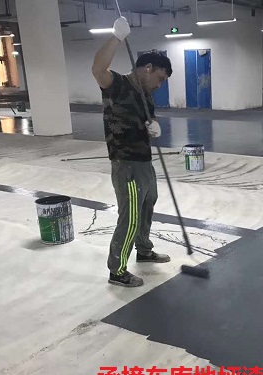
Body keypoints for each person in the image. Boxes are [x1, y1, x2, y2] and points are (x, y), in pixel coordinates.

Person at [92, 16, 173, 288]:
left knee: (149, 203)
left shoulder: (146, 96)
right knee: (131, 216)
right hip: (125, 162)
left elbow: (147, 119)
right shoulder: (117, 84)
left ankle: (144, 249)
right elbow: (98, 69)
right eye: (159, 78)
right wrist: (116, 37)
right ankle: (117, 270)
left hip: (144, 161)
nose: (159, 85)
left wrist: (153, 125)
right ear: (148, 68)